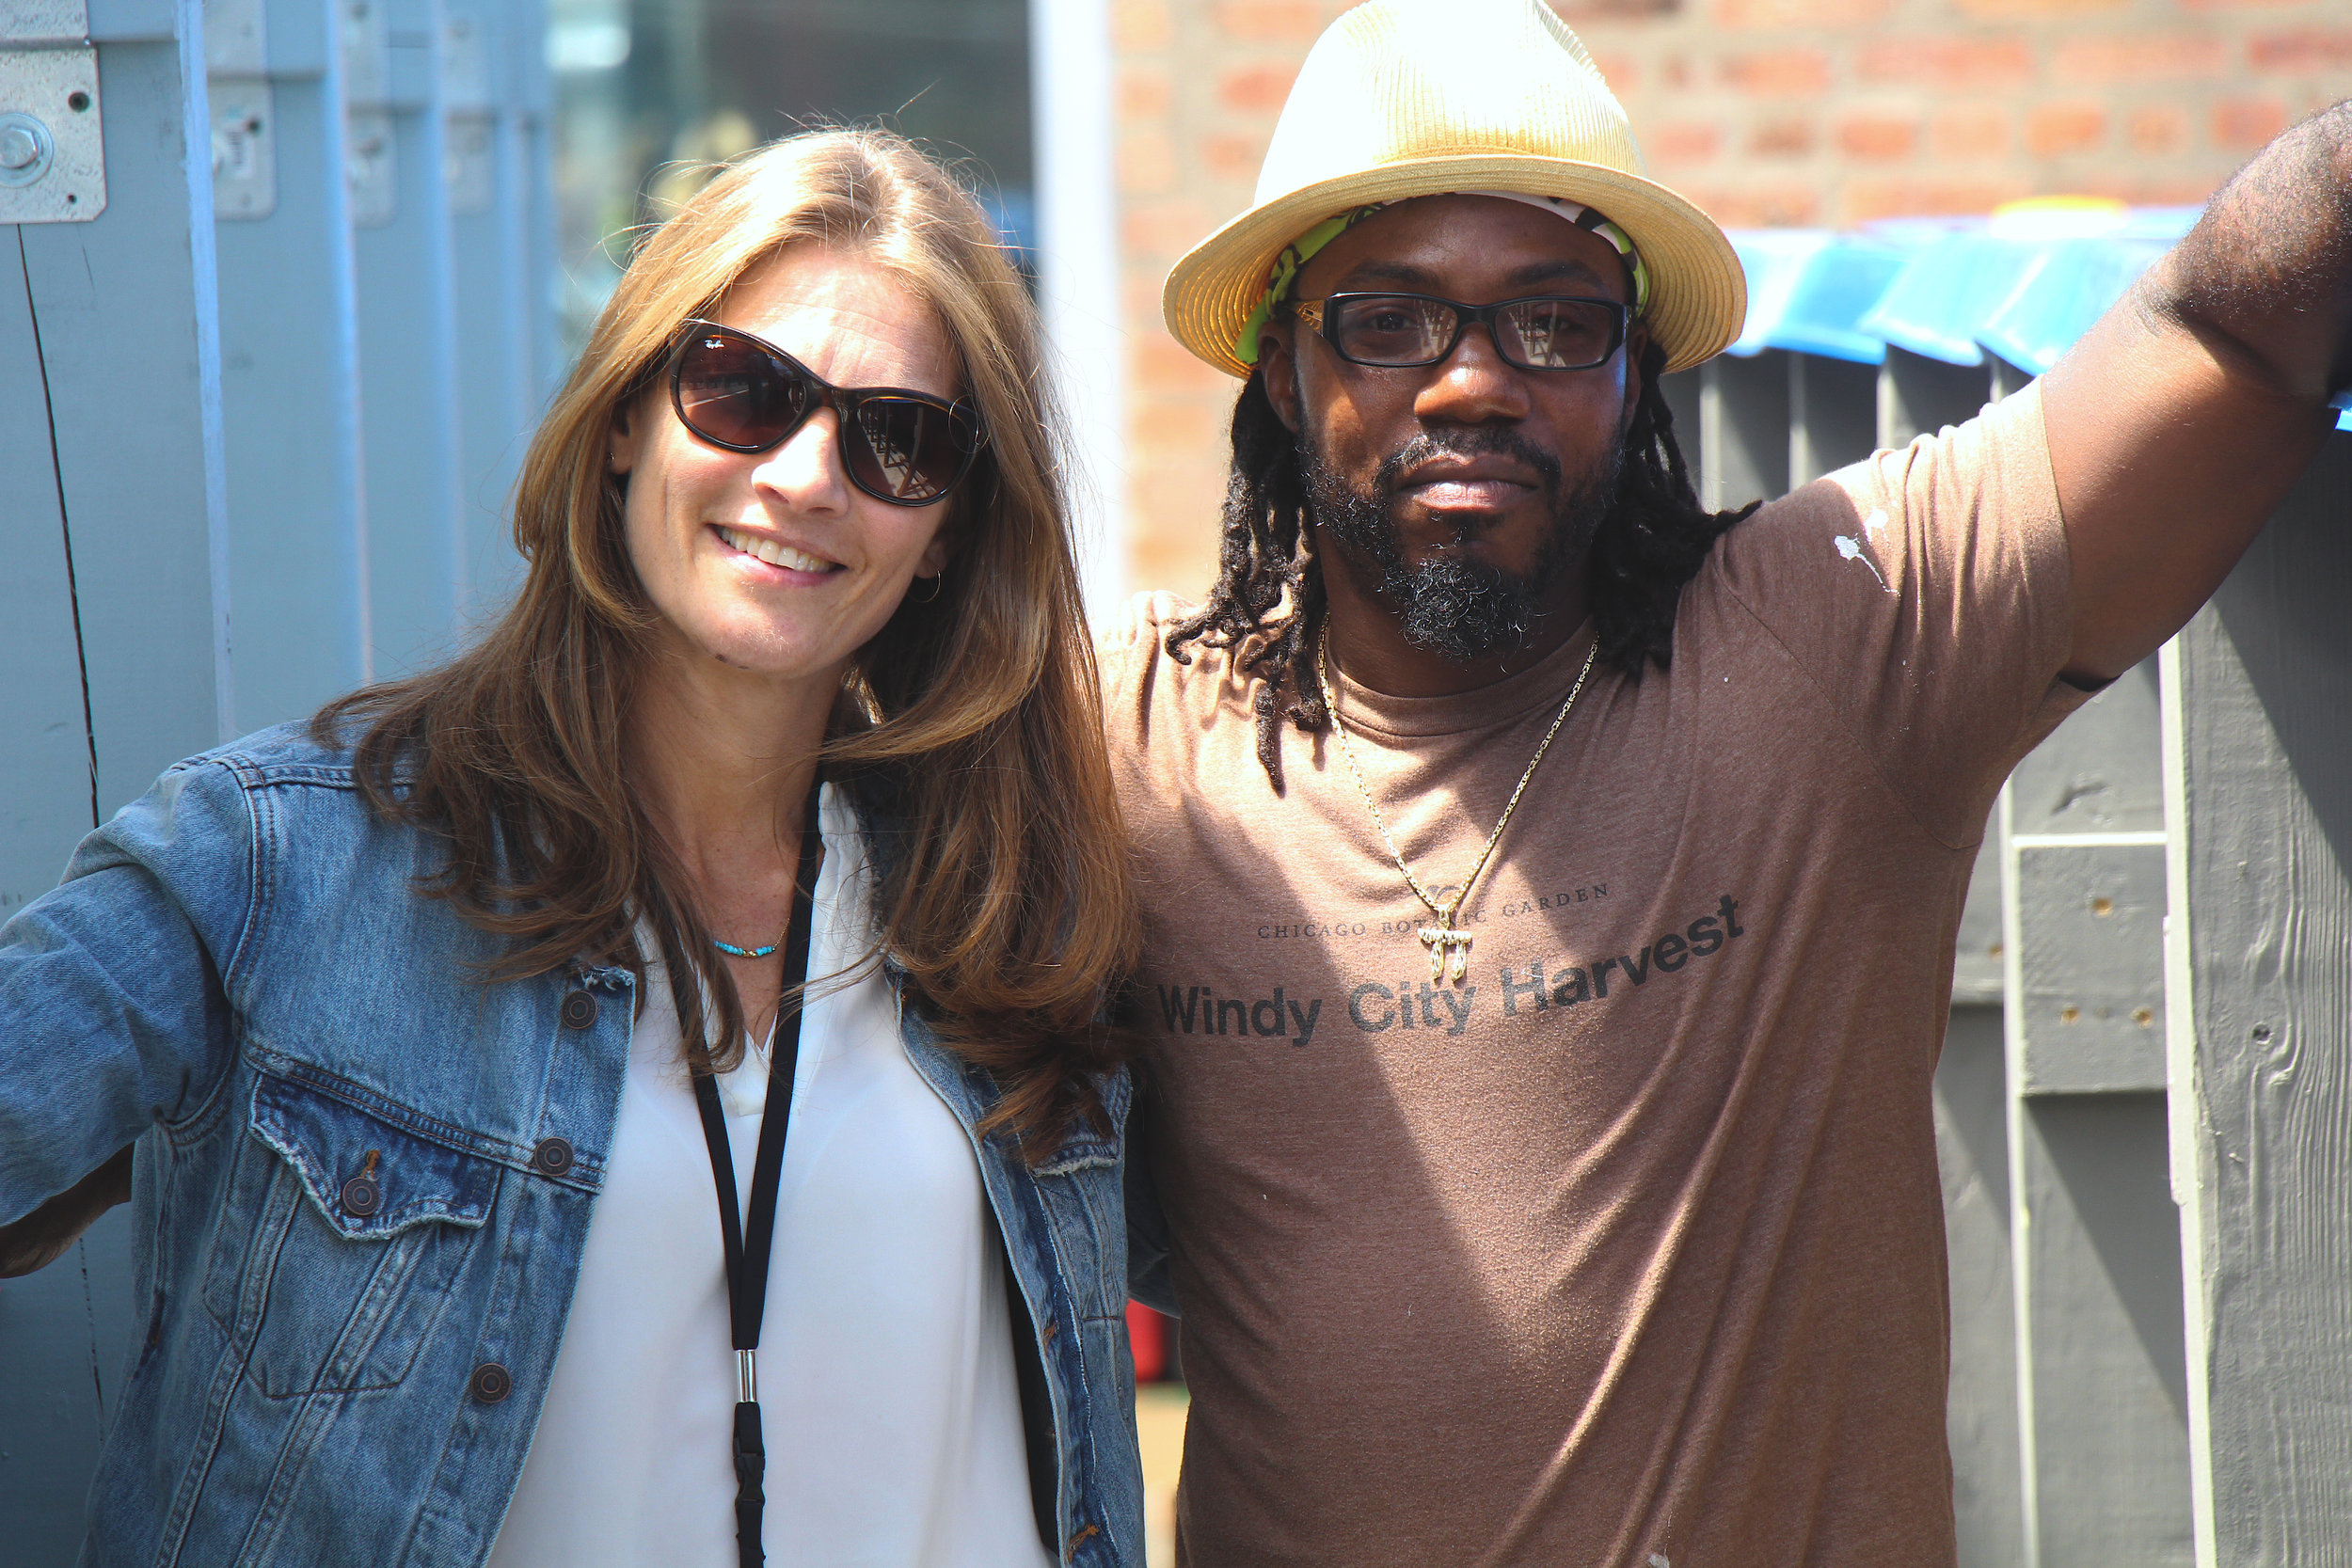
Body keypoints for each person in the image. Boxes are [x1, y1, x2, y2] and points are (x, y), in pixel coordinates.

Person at [1105, 1, 2352, 1563]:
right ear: (1282, 375)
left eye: (1556, 321)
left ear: (1637, 378)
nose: (1474, 381)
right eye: (1389, 318)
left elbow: (2225, 337)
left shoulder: (1830, 637)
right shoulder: (1137, 742)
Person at [0, 128, 1144, 1568]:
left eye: (899, 437)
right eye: (744, 390)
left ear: (952, 530)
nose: (806, 475)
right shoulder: (287, 870)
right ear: (624, 419)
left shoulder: (1015, 920)